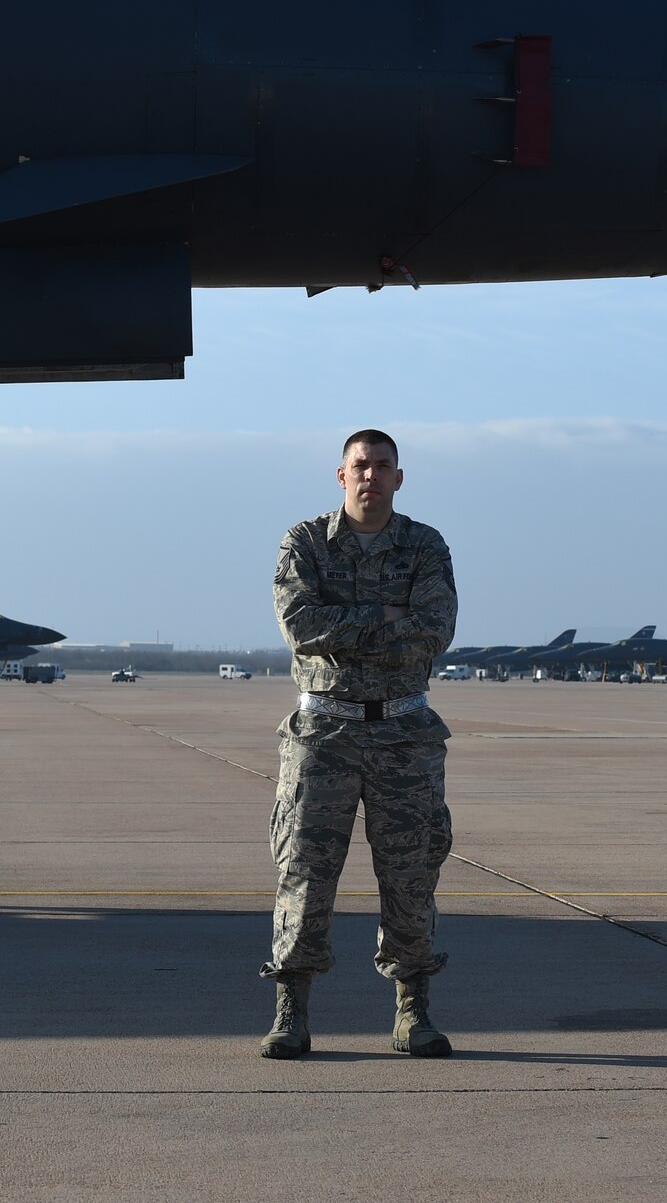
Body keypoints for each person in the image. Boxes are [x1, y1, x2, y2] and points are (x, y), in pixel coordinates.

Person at [261, 429, 458, 1060]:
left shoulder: (425, 546)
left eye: (382, 466)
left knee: (410, 874)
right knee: (305, 873)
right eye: (360, 466)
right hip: (325, 731)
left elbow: (434, 633)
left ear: (400, 478)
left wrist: (348, 625)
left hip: (404, 732)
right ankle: (290, 1011)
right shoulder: (305, 544)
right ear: (340, 476)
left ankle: (412, 1011)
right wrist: (386, 617)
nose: (370, 475)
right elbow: (300, 626)